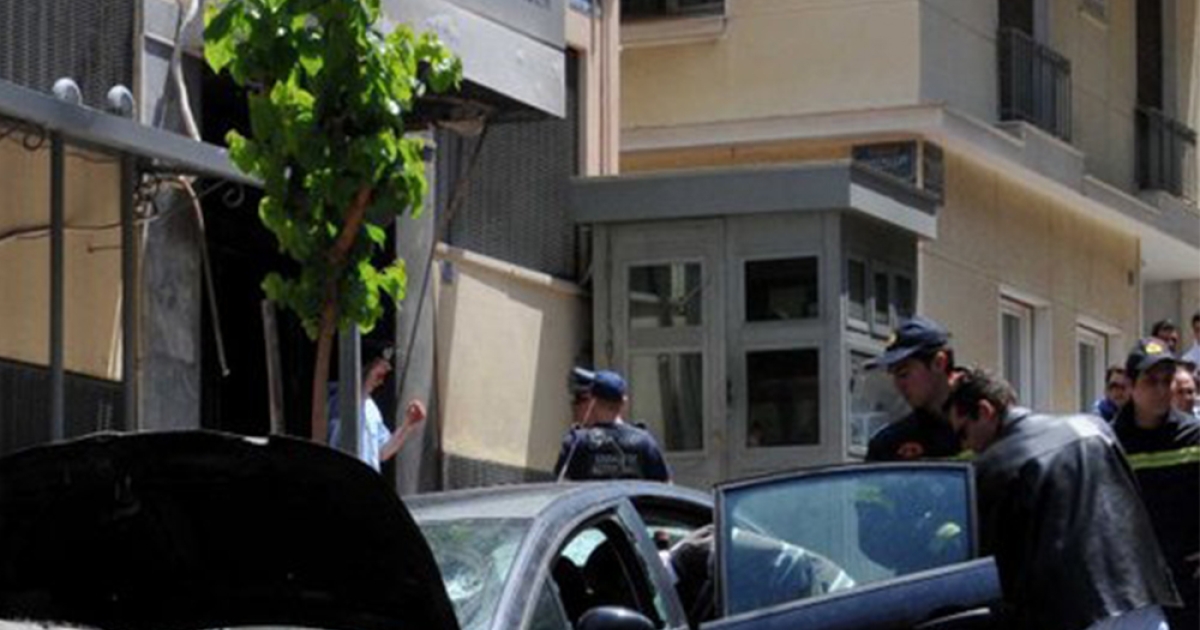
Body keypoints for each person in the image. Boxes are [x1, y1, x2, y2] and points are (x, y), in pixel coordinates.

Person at [945, 367, 1179, 630]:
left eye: (963, 433)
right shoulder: (1095, 429)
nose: (965, 446)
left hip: (1073, 613)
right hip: (1139, 600)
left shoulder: (995, 466)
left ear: (985, 411)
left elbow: (994, 566)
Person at [1112, 338, 1200, 629]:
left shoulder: (1193, 436)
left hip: (1190, 581)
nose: (1162, 390)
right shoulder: (1110, 441)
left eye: (1167, 380)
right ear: (1130, 385)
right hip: (1135, 586)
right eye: (1151, 381)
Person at [865, 316, 962, 461]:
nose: (898, 385)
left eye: (904, 374)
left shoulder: (983, 422)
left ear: (939, 363)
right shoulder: (890, 443)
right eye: (894, 375)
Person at [553, 370, 671, 482]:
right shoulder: (644, 442)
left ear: (593, 401)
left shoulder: (577, 442)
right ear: (623, 403)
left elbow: (560, 488)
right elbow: (665, 487)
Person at [328, 340, 426, 473]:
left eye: (383, 376)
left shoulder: (371, 408)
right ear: (364, 370)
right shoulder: (337, 399)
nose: (381, 382)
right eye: (379, 375)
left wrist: (408, 424)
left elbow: (382, 452)